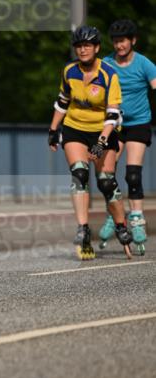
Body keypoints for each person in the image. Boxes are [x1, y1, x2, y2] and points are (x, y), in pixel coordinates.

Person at [47, 25, 132, 260]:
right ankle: (83, 230)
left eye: (87, 45)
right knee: (79, 174)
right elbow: (63, 101)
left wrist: (101, 143)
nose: (82, 50)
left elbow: (113, 116)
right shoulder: (69, 71)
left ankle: (120, 225)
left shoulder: (108, 74)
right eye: (78, 46)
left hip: (103, 130)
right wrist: (53, 130)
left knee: (106, 181)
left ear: (96, 48)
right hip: (75, 128)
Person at [97, 19, 156, 255]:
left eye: (123, 41)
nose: (119, 45)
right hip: (115, 124)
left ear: (133, 41)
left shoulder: (144, 64)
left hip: (139, 123)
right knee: (106, 176)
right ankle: (115, 212)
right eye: (115, 41)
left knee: (132, 174)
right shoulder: (107, 63)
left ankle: (137, 218)